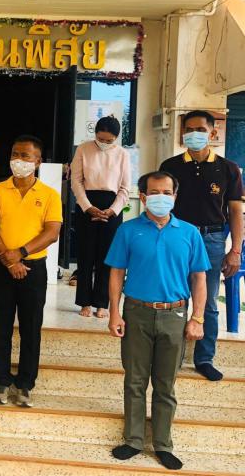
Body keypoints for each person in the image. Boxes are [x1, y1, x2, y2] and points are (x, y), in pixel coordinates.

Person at [106, 171, 208, 471]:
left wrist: (197, 318)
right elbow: (116, 273)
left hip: (174, 315)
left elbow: (199, 279)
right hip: (136, 312)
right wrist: (114, 312)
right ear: (142, 196)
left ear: (175, 196)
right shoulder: (128, 231)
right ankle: (134, 440)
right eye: (154, 192)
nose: (160, 197)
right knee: (135, 380)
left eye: (166, 192)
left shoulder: (189, 233)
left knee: (166, 384)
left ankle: (163, 444)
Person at [159, 110, 243, 382]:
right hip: (176, 239)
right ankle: (171, 357)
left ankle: (204, 358)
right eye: (189, 129)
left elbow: (235, 211)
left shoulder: (228, 168)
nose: (193, 134)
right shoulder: (170, 166)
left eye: (200, 129)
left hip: (212, 240)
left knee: (207, 302)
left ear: (212, 133)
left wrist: (235, 250)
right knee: (173, 299)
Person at [0, 135, 62, 408]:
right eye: (15, 154)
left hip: (33, 268)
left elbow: (52, 232)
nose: (19, 160)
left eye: (25, 156)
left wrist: (21, 253)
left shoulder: (49, 195)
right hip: (2, 266)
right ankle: (2, 380)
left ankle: (26, 383)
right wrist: (9, 261)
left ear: (38, 162)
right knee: (1, 326)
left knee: (31, 328)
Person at [70, 116, 130, 318]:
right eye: (100, 139)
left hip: (112, 207)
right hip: (86, 204)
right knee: (85, 255)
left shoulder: (122, 154)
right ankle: (84, 302)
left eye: (109, 140)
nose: (104, 143)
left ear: (116, 138)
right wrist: (87, 207)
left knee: (107, 258)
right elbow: (76, 181)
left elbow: (125, 188)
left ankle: (102, 303)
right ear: (94, 134)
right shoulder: (83, 149)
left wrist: (113, 210)